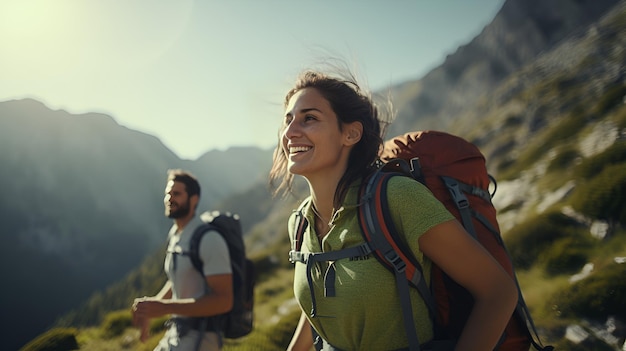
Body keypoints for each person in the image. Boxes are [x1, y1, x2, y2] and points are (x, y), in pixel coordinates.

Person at [269, 68, 518, 351]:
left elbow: (499, 293)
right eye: (288, 120)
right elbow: (321, 296)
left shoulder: (396, 198)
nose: (289, 132)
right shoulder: (300, 222)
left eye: (309, 118)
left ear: (350, 134)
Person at [132, 169, 233, 351]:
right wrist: (151, 309)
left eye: (176, 194)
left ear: (194, 199)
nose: (170, 198)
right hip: (176, 333)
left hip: (201, 339)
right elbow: (178, 280)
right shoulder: (176, 234)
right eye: (168, 193)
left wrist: (164, 308)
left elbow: (224, 300)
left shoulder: (209, 239)